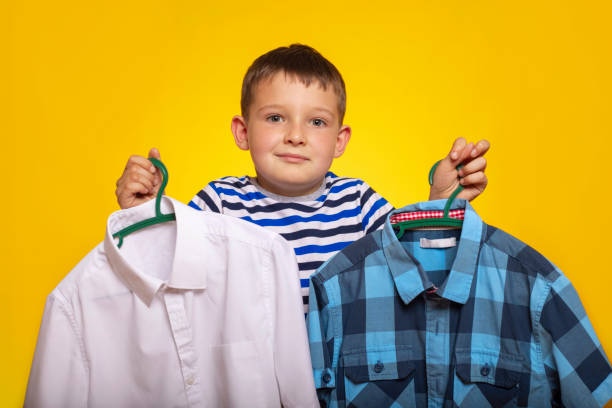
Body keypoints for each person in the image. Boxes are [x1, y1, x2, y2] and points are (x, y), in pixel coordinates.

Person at [114, 44, 490, 311]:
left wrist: (441, 199)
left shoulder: (358, 201)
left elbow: (411, 262)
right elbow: (167, 273)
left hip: (341, 378)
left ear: (339, 141)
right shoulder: (220, 202)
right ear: (243, 132)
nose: (296, 135)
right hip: (249, 380)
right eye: (276, 118)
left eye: (317, 122)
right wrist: (143, 214)